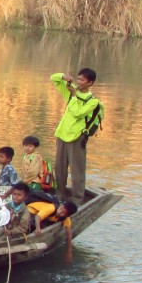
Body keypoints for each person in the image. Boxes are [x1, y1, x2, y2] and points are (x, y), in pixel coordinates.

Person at [51, 69, 103, 201]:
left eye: (82, 80)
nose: (78, 82)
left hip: (77, 138)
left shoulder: (92, 101)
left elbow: (78, 113)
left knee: (77, 172)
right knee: (60, 169)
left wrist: (74, 96)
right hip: (62, 135)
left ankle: (78, 199)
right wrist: (64, 76)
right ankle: (59, 196)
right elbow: (54, 78)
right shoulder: (71, 91)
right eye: (78, 79)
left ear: (90, 83)